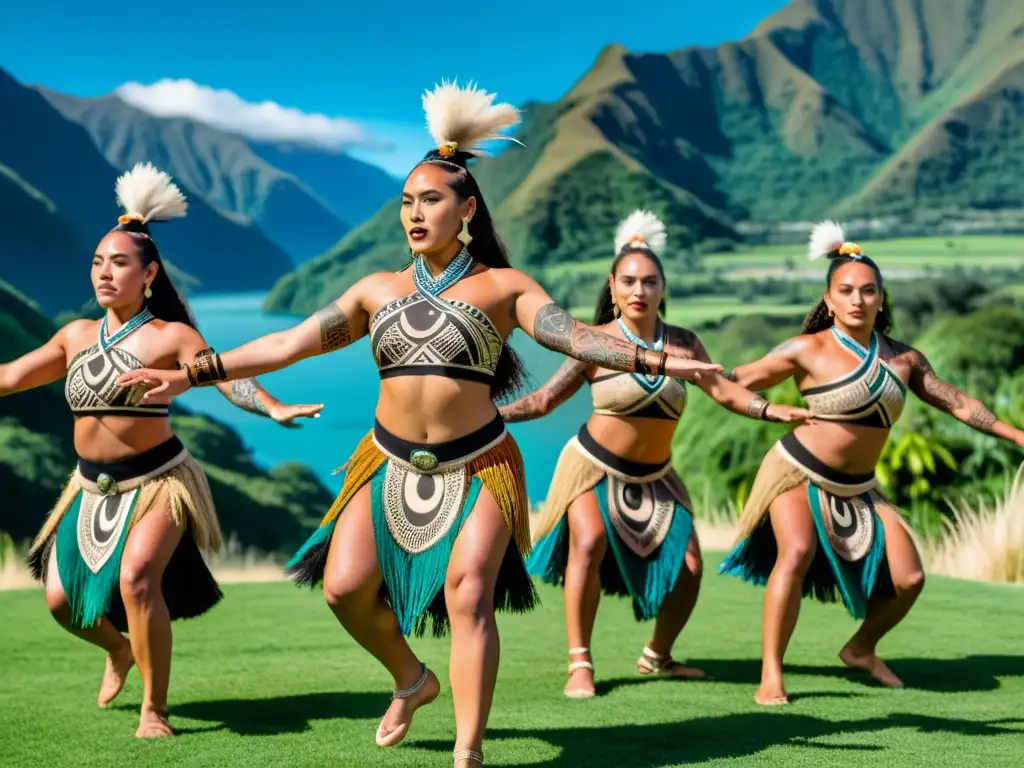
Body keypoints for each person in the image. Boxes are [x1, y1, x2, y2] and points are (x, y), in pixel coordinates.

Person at [117, 81, 724, 767]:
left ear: (466, 209)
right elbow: (287, 344)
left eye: (429, 200)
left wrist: (651, 357)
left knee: (469, 593)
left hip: (481, 464)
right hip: (385, 463)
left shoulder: (505, 288)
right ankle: (413, 678)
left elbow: (575, 337)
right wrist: (193, 373)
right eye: (405, 201)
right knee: (344, 589)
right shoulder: (377, 290)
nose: (414, 212)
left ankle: (468, 753)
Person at [3, 162, 323, 739]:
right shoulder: (75, 336)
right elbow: (8, 378)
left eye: (119, 263)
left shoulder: (172, 336)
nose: (104, 272)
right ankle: (120, 651)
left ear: (149, 274)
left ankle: (155, 710)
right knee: (59, 601)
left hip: (158, 480)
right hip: (89, 485)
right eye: (98, 262)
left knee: (138, 580)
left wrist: (272, 407)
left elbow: (226, 378)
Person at [499, 210, 810, 699]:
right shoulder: (594, 342)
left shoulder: (684, 344)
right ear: (613, 285)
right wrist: (491, 415)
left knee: (689, 568)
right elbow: (543, 400)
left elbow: (725, 392)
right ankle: (579, 663)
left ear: (663, 286)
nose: (638, 290)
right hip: (592, 467)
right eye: (629, 281)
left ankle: (657, 655)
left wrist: (770, 410)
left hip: (657, 476)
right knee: (588, 542)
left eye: (649, 281)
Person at [719, 221, 1024, 705]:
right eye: (846, 291)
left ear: (882, 298)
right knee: (794, 553)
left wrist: (1016, 435)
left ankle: (861, 648)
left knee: (910, 578)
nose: (857, 300)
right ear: (829, 298)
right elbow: (733, 381)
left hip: (859, 486)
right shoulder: (807, 349)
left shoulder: (905, 360)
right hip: (796, 470)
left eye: (868, 291)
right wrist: (765, 408)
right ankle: (771, 674)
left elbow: (958, 403)